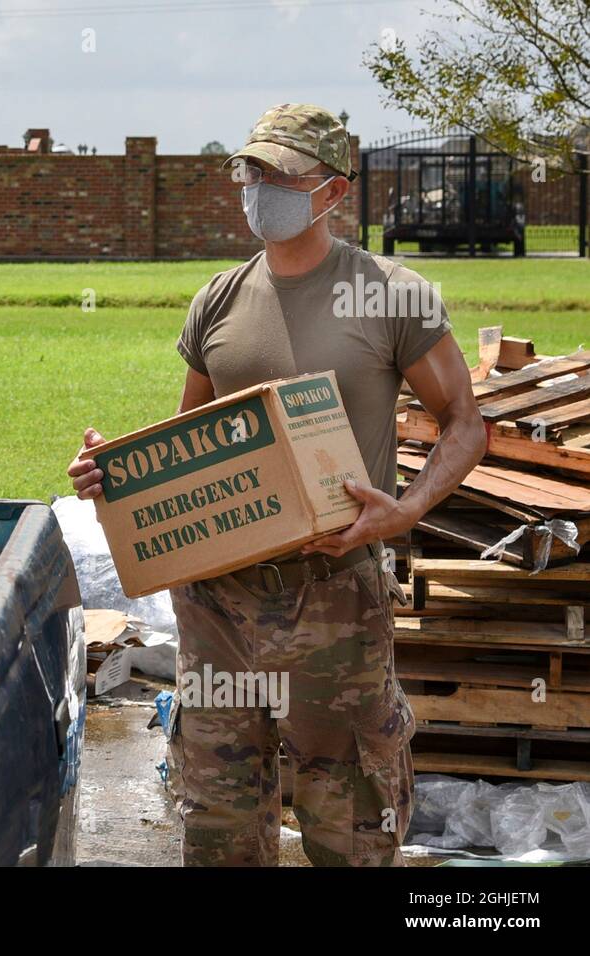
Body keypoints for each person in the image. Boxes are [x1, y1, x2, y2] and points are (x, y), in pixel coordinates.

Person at [66, 104, 486, 866]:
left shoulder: (391, 294)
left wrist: (409, 510)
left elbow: (464, 420)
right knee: (220, 818)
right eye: (250, 171)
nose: (261, 188)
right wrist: (113, 476)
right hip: (217, 604)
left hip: (333, 596)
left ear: (331, 191)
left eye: (282, 175)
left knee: (349, 816)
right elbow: (184, 449)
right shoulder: (218, 301)